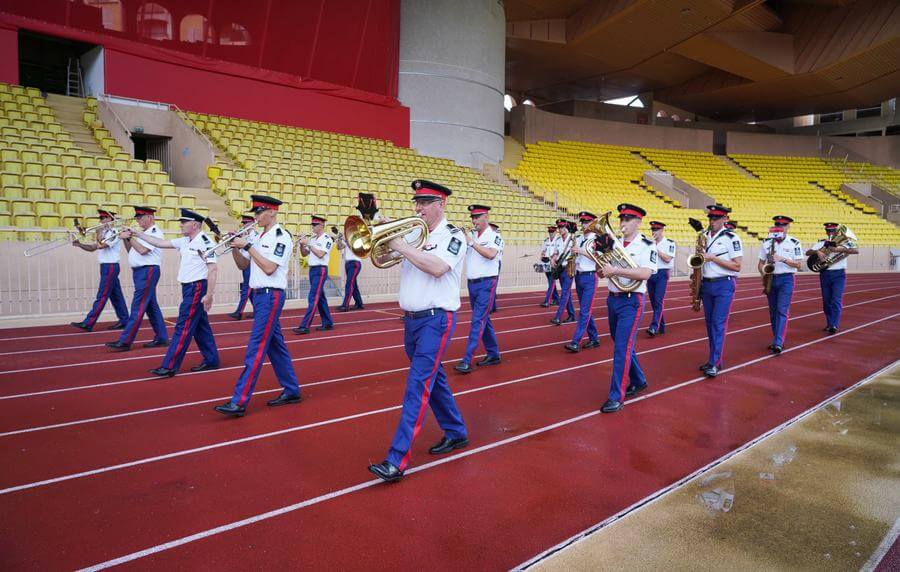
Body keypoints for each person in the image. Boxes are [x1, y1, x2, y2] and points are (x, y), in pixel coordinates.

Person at [368, 179, 468, 483]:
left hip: (436, 320)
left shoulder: (454, 236)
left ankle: (396, 460)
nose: (418, 208)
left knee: (417, 385)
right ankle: (456, 431)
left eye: (425, 203)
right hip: (411, 321)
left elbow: (438, 268)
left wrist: (400, 244)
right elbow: (382, 259)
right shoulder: (413, 233)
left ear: (442, 204)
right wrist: (381, 235)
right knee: (433, 379)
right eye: (417, 203)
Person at [215, 195, 302, 416]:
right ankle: (291, 390)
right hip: (258, 296)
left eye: (260, 212)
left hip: (271, 296)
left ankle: (239, 400)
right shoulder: (258, 235)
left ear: (272, 212)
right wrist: (235, 245)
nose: (256, 217)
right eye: (255, 213)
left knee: (256, 346)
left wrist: (250, 245)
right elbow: (243, 264)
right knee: (275, 346)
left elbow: (270, 267)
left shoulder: (281, 237)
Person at [123, 208, 220, 378]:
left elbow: (212, 270)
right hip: (189, 288)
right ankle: (211, 360)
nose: (181, 225)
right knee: (200, 326)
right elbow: (159, 243)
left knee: (182, 327)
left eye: (184, 222)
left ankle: (169, 366)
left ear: (195, 224)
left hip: (197, 287)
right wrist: (137, 234)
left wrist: (209, 294)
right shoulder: (185, 240)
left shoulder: (205, 242)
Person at [599, 204, 656, 413]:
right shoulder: (613, 244)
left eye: (628, 219)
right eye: (621, 219)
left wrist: (616, 269)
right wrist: (601, 263)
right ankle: (639, 379)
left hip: (632, 301)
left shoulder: (646, 245)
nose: (623, 223)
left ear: (638, 222)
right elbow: (601, 272)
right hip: (613, 298)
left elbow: (646, 273)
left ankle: (616, 396)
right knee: (620, 342)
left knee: (621, 348)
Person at [104, 206, 168, 350]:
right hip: (141, 272)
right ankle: (162, 337)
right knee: (151, 307)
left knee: (137, 306)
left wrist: (130, 236)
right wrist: (126, 239)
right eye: (137, 218)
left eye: (140, 217)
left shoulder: (154, 232)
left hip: (148, 271)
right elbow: (132, 251)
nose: (138, 220)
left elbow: (143, 250)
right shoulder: (143, 233)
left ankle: (125, 341)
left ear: (150, 218)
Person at [454, 204, 502, 374]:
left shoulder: (495, 236)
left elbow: (490, 254)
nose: (474, 221)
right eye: (472, 218)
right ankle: (493, 353)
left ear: (486, 217)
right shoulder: (472, 235)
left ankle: (467, 359)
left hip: (487, 283)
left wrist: (472, 243)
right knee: (484, 319)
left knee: (477, 320)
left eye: (477, 217)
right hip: (472, 284)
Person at [698, 204, 743, 378]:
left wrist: (713, 258)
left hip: (724, 284)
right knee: (710, 324)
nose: (712, 221)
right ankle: (713, 359)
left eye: (716, 218)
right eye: (710, 218)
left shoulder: (732, 238)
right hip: (707, 284)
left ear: (725, 219)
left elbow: (737, 266)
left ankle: (715, 362)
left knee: (718, 323)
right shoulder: (704, 236)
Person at [70, 208, 129, 331]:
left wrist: (98, 232)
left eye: (103, 218)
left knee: (101, 296)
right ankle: (124, 320)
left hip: (111, 266)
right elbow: (93, 247)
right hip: (105, 266)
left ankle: (88, 322)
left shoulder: (115, 232)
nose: (100, 221)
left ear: (110, 219)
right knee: (116, 296)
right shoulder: (104, 232)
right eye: (100, 218)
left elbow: (102, 245)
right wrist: (79, 244)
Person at [758, 222, 803, 353]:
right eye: (778, 225)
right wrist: (763, 274)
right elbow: (760, 263)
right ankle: (776, 339)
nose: (780, 228)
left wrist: (782, 259)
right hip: (771, 278)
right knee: (773, 312)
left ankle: (778, 342)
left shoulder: (794, 242)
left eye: (783, 226)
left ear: (788, 227)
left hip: (786, 279)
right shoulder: (767, 242)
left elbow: (799, 265)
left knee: (781, 310)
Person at [807, 222, 858, 334]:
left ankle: (834, 325)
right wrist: (818, 251)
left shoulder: (845, 242)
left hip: (839, 275)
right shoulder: (821, 242)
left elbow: (856, 250)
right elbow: (807, 252)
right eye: (828, 231)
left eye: (833, 231)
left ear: (837, 232)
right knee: (826, 302)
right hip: (825, 274)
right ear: (826, 231)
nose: (830, 232)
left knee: (836, 300)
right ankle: (830, 323)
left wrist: (839, 249)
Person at [564, 211, 600, 352]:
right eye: (583, 222)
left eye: (587, 222)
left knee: (584, 311)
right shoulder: (578, 238)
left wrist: (582, 251)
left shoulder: (597, 239)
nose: (584, 225)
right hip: (579, 276)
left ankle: (575, 341)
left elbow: (599, 259)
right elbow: (575, 254)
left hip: (590, 277)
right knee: (586, 310)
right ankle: (594, 338)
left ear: (592, 224)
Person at [294, 215, 335, 334]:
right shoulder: (313, 238)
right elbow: (304, 253)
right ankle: (327, 322)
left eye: (314, 225)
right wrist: (302, 243)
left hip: (320, 269)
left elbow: (321, 254)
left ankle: (305, 326)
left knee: (313, 297)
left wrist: (309, 244)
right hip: (313, 270)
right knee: (320, 297)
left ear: (321, 226)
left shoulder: (326, 239)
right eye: (312, 225)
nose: (312, 227)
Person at [646, 220, 676, 337]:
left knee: (658, 300)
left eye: (656, 230)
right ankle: (661, 325)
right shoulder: (650, 243)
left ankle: (654, 326)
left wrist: (655, 249)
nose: (654, 232)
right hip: (651, 273)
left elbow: (668, 259)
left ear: (662, 230)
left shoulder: (669, 243)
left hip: (662, 273)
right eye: (653, 230)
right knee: (654, 302)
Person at [228, 214, 259, 320]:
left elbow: (251, 250)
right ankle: (257, 311)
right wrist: (233, 237)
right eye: (244, 223)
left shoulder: (256, 236)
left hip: (252, 264)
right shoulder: (244, 235)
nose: (244, 225)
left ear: (252, 224)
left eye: (246, 223)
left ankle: (239, 312)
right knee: (248, 290)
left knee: (246, 288)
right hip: (245, 263)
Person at [550, 219, 576, 325]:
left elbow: (576, 253)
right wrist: (552, 259)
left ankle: (558, 316)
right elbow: (556, 252)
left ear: (566, 227)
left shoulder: (573, 239)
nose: (560, 229)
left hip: (569, 268)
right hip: (560, 268)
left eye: (562, 227)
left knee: (564, 293)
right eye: (559, 227)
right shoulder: (558, 240)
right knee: (567, 293)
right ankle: (572, 315)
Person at [337, 220, 365, 312]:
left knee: (349, 284)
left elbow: (355, 247)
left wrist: (345, 239)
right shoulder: (349, 238)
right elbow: (339, 247)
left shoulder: (359, 238)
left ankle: (345, 305)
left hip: (355, 263)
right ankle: (359, 303)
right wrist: (339, 239)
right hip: (348, 263)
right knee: (353, 284)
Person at [539, 225, 560, 307]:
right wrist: (542, 254)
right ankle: (557, 299)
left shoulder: (558, 240)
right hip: (546, 262)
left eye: (552, 232)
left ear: (555, 232)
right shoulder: (546, 240)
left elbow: (558, 252)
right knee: (551, 282)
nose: (551, 233)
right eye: (549, 232)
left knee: (551, 283)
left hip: (554, 263)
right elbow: (543, 250)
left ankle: (547, 301)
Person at [489, 222, 502, 313]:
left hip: (495, 262)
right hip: (491, 263)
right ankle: (492, 307)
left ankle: (491, 307)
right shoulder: (491, 237)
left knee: (492, 286)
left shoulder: (497, 238)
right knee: (491, 287)